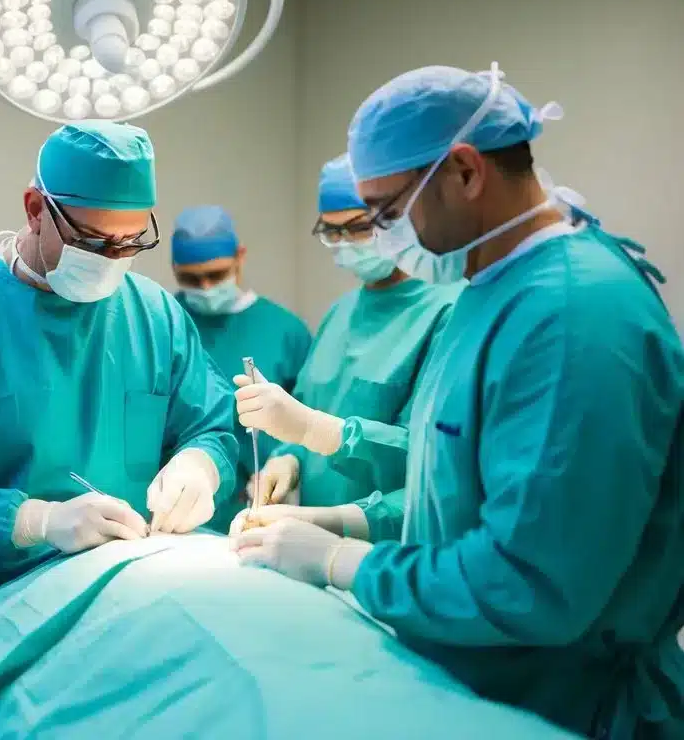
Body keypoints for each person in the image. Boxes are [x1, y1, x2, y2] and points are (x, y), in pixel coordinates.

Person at [232, 63, 684, 738]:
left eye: (385, 212)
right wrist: (347, 522)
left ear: (466, 171)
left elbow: (530, 585)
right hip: (483, 684)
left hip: (561, 708)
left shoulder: (570, 316)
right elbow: (459, 487)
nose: (381, 236)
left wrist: (342, 565)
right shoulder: (490, 289)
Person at [0, 120, 238, 627]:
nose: (112, 260)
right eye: (92, 241)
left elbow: (211, 424)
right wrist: (35, 522)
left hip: (120, 608)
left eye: (130, 241)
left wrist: (199, 464)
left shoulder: (156, 316)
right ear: (35, 209)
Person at [230, 155, 459, 543]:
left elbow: (430, 457)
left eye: (358, 228)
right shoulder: (340, 313)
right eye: (332, 232)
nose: (345, 244)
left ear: (397, 219)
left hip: (392, 550)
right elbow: (308, 404)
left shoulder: (448, 310)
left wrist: (314, 430)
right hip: (310, 550)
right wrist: (288, 457)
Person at [170, 205, 311, 531]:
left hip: (262, 509)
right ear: (174, 267)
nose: (205, 287)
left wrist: (285, 463)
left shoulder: (285, 331)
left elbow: (310, 419)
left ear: (240, 256)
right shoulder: (165, 325)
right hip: (175, 514)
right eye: (190, 278)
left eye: (216, 275)